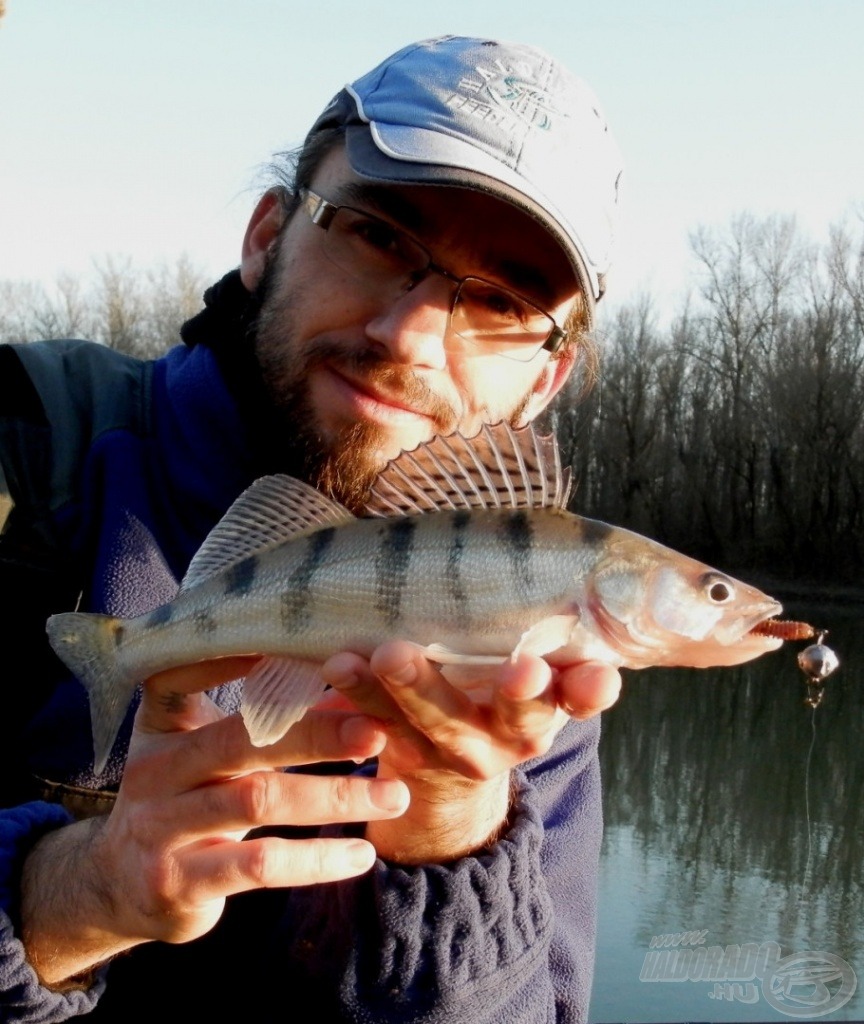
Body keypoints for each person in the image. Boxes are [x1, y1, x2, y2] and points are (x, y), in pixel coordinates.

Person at [0, 35, 624, 1023]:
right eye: (378, 233)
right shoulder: (22, 454)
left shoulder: (529, 676)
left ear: (543, 381)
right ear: (265, 237)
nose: (412, 333)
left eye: (501, 302)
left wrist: (454, 827)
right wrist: (67, 897)